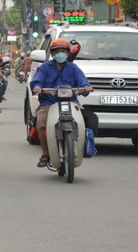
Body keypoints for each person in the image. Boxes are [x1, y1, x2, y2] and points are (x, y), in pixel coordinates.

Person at [30, 38, 96, 168]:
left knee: (87, 120)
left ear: (68, 52)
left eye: (63, 51)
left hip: (72, 102)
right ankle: (45, 153)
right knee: (41, 122)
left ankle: (86, 146)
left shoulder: (73, 67)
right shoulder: (44, 67)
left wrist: (86, 87)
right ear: (52, 53)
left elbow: (83, 81)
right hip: (49, 103)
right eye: (57, 51)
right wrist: (37, 87)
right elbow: (36, 82)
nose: (60, 53)